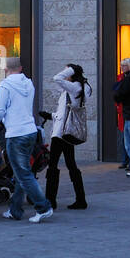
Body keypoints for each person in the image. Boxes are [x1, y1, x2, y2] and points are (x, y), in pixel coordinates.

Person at [0, 58, 52, 223]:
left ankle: (43, 207)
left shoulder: (6, 85)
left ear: (6, 69)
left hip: (16, 134)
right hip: (30, 131)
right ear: (21, 68)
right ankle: (15, 210)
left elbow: (0, 109)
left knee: (24, 175)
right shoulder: (29, 84)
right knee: (21, 173)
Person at [46, 64, 89, 210]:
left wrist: (70, 69)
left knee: (53, 165)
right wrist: (50, 116)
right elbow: (65, 112)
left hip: (60, 133)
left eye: (67, 70)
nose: (64, 73)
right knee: (71, 164)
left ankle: (50, 200)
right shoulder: (82, 87)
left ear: (72, 73)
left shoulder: (75, 86)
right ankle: (81, 199)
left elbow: (56, 78)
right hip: (67, 131)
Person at [113, 59, 130, 168]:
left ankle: (129, 161)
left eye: (124, 65)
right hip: (122, 112)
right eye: (121, 66)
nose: (122, 67)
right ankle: (125, 160)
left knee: (129, 138)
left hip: (129, 111)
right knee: (124, 137)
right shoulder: (119, 77)